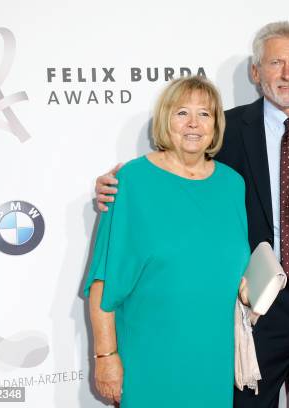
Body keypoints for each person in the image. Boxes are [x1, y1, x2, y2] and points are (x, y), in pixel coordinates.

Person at [96, 21, 289, 408]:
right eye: (275, 62)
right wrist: (112, 190)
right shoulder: (225, 128)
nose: (287, 73)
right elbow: (178, 172)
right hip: (256, 301)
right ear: (255, 71)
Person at [85, 76, 250, 407]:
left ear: (216, 124)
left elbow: (234, 266)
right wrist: (105, 356)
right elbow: (103, 279)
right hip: (149, 354)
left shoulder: (233, 184)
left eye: (204, 114)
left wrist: (250, 287)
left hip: (213, 356)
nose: (193, 123)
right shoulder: (131, 180)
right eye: (181, 113)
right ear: (165, 120)